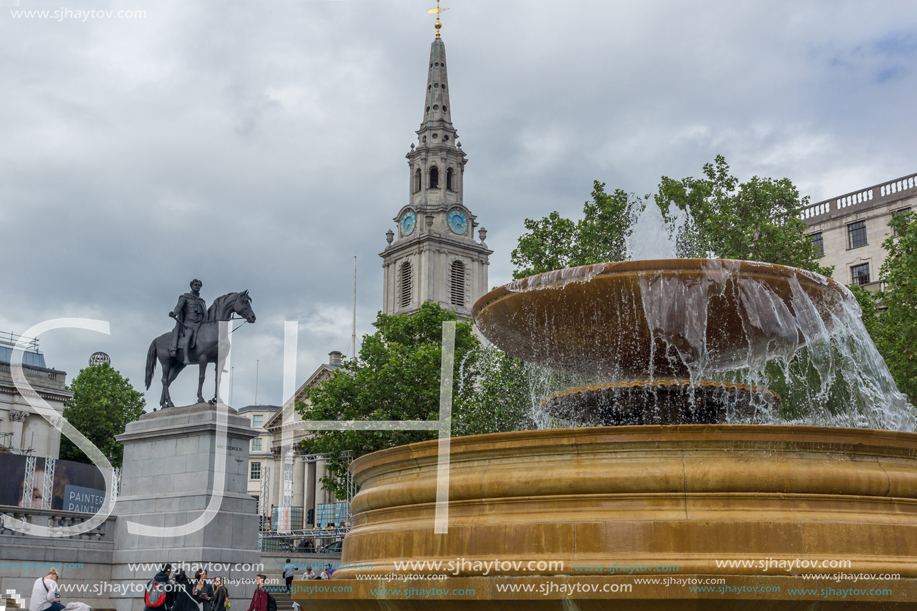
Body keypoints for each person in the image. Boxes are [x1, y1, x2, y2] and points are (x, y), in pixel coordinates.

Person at [169, 279, 207, 365]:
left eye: (199, 285)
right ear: (191, 286)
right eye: (195, 284)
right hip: (188, 323)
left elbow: (205, 313)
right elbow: (178, 307)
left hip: (200, 323)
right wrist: (174, 313)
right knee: (189, 334)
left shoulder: (202, 301)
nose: (197, 286)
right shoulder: (185, 297)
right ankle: (186, 357)